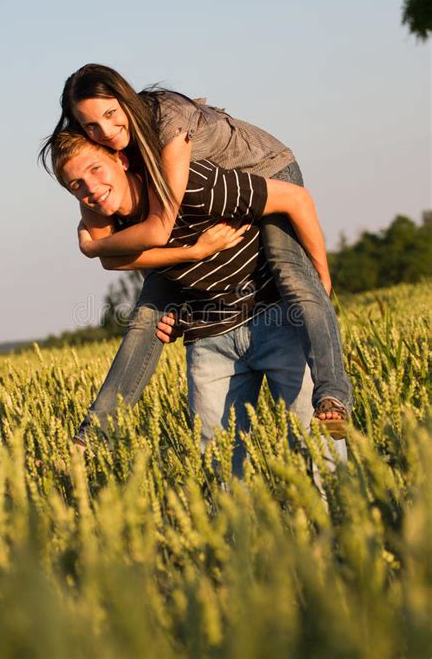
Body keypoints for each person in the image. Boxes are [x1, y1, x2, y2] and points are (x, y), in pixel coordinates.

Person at [39, 63, 352, 441]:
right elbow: (117, 248)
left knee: (295, 278)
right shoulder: (94, 159)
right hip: (210, 204)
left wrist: (320, 276)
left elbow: (157, 230)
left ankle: (333, 395)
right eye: (90, 125)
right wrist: (111, 253)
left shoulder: (166, 119)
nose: (104, 132)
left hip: (268, 172)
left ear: (125, 97)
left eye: (109, 114)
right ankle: (96, 433)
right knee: (146, 318)